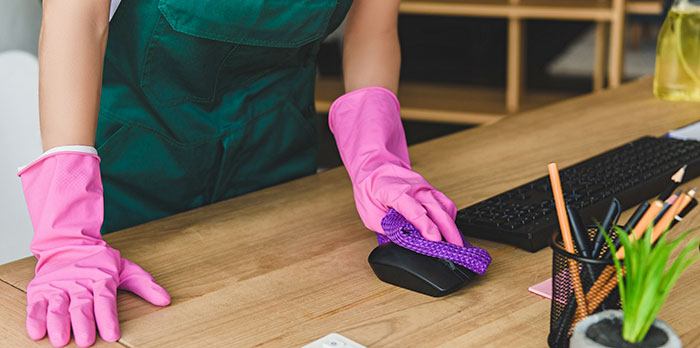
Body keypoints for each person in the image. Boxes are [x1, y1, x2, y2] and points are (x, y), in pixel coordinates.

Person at [19, 0, 465, 347]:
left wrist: (378, 158)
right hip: (138, 158)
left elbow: (374, 25)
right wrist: (67, 229)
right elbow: (76, 17)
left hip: (276, 151)